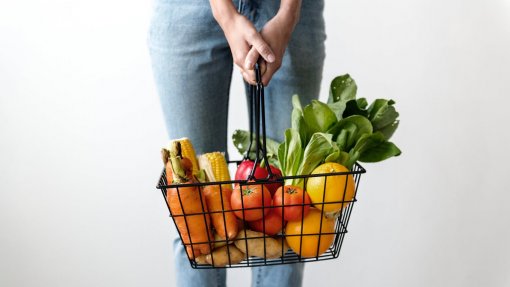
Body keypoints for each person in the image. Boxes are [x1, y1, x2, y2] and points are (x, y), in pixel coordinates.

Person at [148, 0, 325, 286]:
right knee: (193, 217)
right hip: (188, 11)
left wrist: (289, 13)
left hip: (288, 9)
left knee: (289, 217)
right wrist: (224, 12)